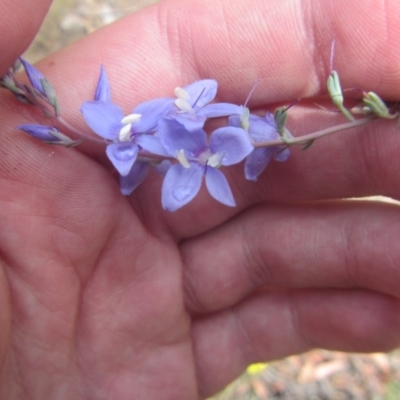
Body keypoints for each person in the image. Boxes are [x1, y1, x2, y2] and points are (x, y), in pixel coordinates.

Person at [1, 0, 400, 398]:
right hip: (160, 147)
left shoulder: (201, 130)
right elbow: (146, 154)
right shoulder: (156, 142)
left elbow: (205, 136)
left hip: (176, 147)